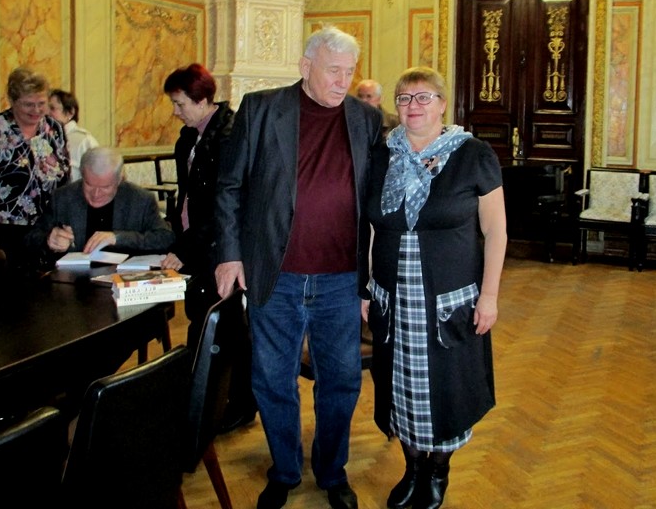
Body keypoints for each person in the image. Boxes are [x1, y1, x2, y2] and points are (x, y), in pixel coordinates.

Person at [215, 25, 382, 509]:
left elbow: (379, 196)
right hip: (277, 274)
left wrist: (373, 279)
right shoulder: (261, 109)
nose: (343, 81)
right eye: (334, 71)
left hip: (341, 279)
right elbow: (229, 187)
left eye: (350, 72)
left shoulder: (367, 120)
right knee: (272, 380)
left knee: (342, 381)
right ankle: (285, 470)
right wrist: (229, 254)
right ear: (306, 66)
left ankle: (332, 472)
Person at [361, 66, 507, 509]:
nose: (413, 106)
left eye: (424, 97)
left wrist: (489, 296)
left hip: (449, 301)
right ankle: (412, 468)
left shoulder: (472, 154)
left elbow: (496, 230)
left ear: (443, 104)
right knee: (400, 385)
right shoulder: (381, 155)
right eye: (405, 98)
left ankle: (438, 470)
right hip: (393, 297)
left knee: (447, 387)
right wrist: (366, 288)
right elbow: (371, 227)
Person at [160, 63, 257, 433]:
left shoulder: (228, 136)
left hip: (221, 247)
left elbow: (223, 206)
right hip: (197, 244)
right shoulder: (188, 137)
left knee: (228, 328)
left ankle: (238, 403)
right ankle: (199, 398)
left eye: (180, 103)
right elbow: (188, 196)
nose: (175, 111)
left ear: (202, 100)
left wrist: (186, 247)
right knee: (202, 321)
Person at [0, 66, 70, 268]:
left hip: (43, 231)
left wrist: (63, 225)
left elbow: (64, 180)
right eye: (28, 104)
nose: (36, 110)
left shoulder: (54, 129)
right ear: (12, 100)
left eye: (41, 103)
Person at [25, 146, 174, 261]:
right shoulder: (63, 197)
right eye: (89, 185)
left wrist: (117, 238)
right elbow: (31, 238)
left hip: (122, 280)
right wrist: (49, 240)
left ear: (119, 180)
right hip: (74, 281)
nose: (96, 194)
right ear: (82, 175)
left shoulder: (140, 199)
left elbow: (166, 239)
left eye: (105, 187)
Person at [48, 89, 99, 182]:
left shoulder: (83, 140)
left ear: (70, 112)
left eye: (52, 108)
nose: (47, 113)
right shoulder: (43, 138)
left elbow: (98, 175)